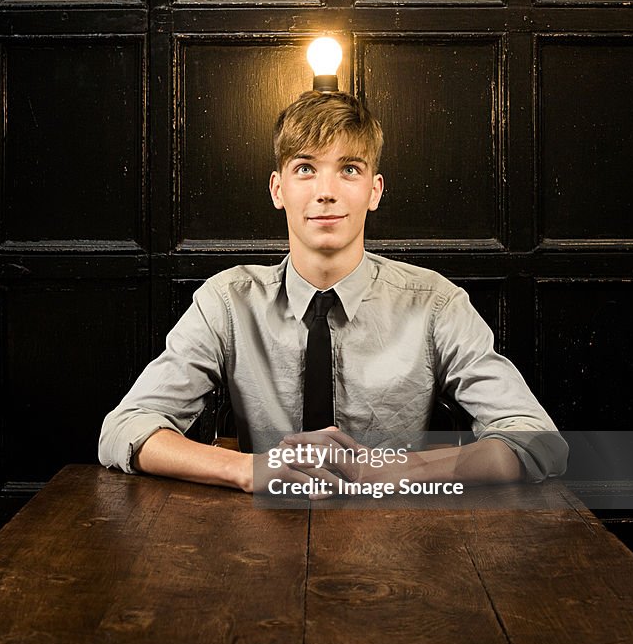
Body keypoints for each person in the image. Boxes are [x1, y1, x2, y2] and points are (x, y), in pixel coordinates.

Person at [99, 90, 568, 492]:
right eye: (305, 168)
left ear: (375, 190)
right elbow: (125, 429)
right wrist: (249, 470)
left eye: (348, 169)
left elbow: (538, 441)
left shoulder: (435, 304)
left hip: (402, 544)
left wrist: (385, 471)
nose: (326, 191)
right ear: (277, 188)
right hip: (259, 548)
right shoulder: (227, 302)